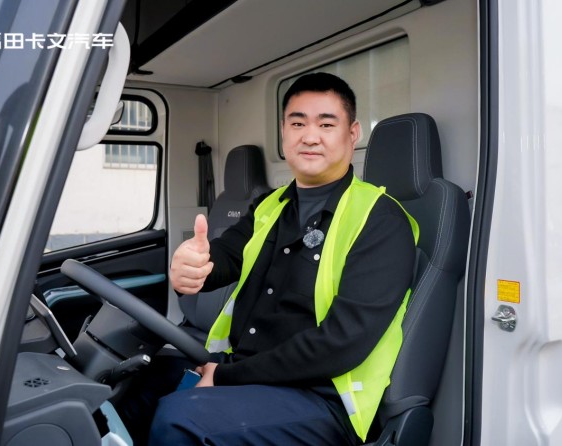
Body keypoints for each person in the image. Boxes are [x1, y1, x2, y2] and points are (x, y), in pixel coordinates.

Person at [147, 72, 418, 445]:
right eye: (298, 123)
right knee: (145, 376)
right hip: (251, 372)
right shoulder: (269, 205)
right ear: (284, 132)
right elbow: (225, 256)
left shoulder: (380, 219)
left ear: (353, 133)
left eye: (326, 124)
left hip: (322, 397)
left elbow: (342, 343)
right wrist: (194, 264)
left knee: (181, 419)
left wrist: (224, 376)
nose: (310, 136)